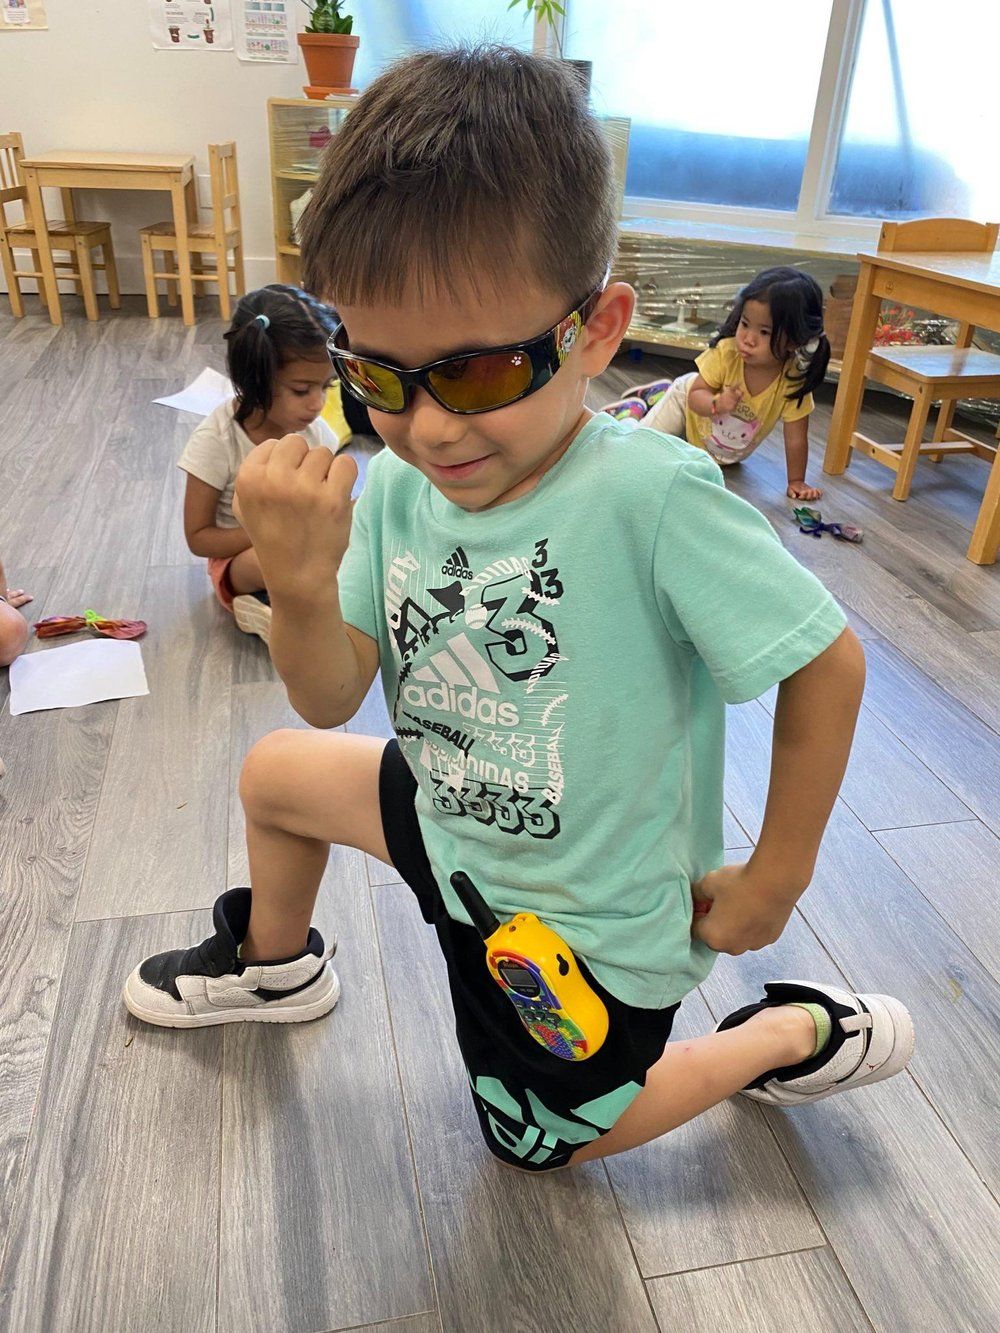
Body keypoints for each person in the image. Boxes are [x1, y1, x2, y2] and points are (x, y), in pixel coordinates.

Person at [123, 47, 913, 1172]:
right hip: (450, 818)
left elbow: (825, 661)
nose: (431, 427)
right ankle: (275, 963)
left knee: (543, 1142)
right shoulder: (394, 485)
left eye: (481, 374)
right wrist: (298, 582)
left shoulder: (650, 496)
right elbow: (333, 688)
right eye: (381, 377)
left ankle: (789, 1029)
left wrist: (773, 877)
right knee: (278, 776)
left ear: (595, 331)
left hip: (577, 918)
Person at [178, 284, 369, 645]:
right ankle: (279, 607)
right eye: (301, 390)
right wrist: (272, 532)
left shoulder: (319, 434)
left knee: (362, 532)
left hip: (306, 548)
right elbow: (199, 539)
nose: (316, 404)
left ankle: (290, 608)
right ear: (254, 380)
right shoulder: (216, 441)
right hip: (241, 560)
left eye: (325, 387)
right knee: (272, 562)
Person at [604, 267, 831, 501]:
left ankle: (656, 395)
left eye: (764, 332)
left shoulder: (793, 382)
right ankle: (631, 413)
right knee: (639, 450)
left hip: (717, 449)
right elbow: (695, 397)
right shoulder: (727, 353)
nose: (748, 339)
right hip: (687, 402)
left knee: (675, 462)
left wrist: (796, 481)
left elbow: (796, 438)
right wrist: (717, 403)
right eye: (745, 323)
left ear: (794, 341)